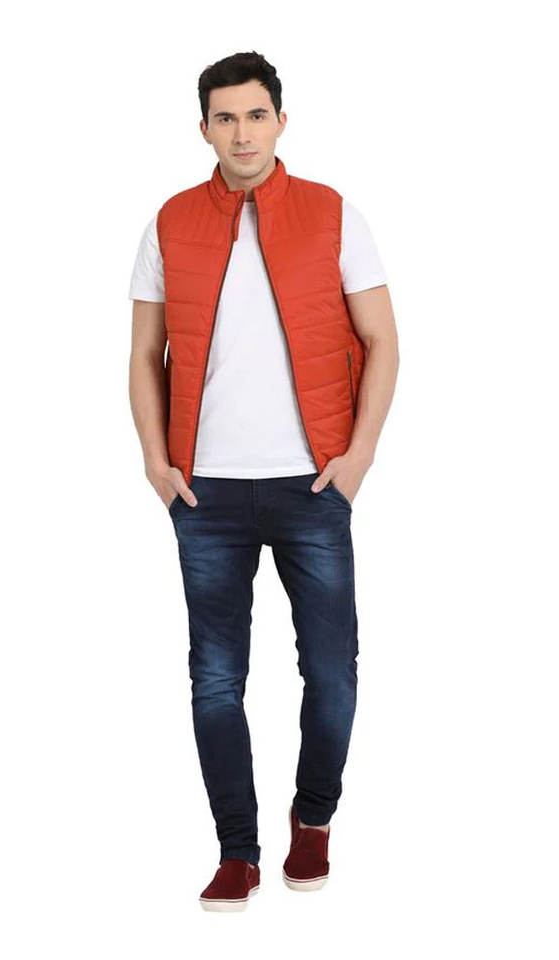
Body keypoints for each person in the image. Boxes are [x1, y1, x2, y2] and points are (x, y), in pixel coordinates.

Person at [128, 51, 399, 911]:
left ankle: (312, 819)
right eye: (225, 118)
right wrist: (156, 463)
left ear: (281, 120)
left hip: (313, 486)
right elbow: (144, 353)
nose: (241, 133)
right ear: (203, 129)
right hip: (205, 492)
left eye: (255, 115)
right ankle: (237, 851)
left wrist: (357, 459)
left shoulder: (334, 214)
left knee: (334, 672)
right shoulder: (169, 223)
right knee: (215, 678)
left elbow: (383, 340)